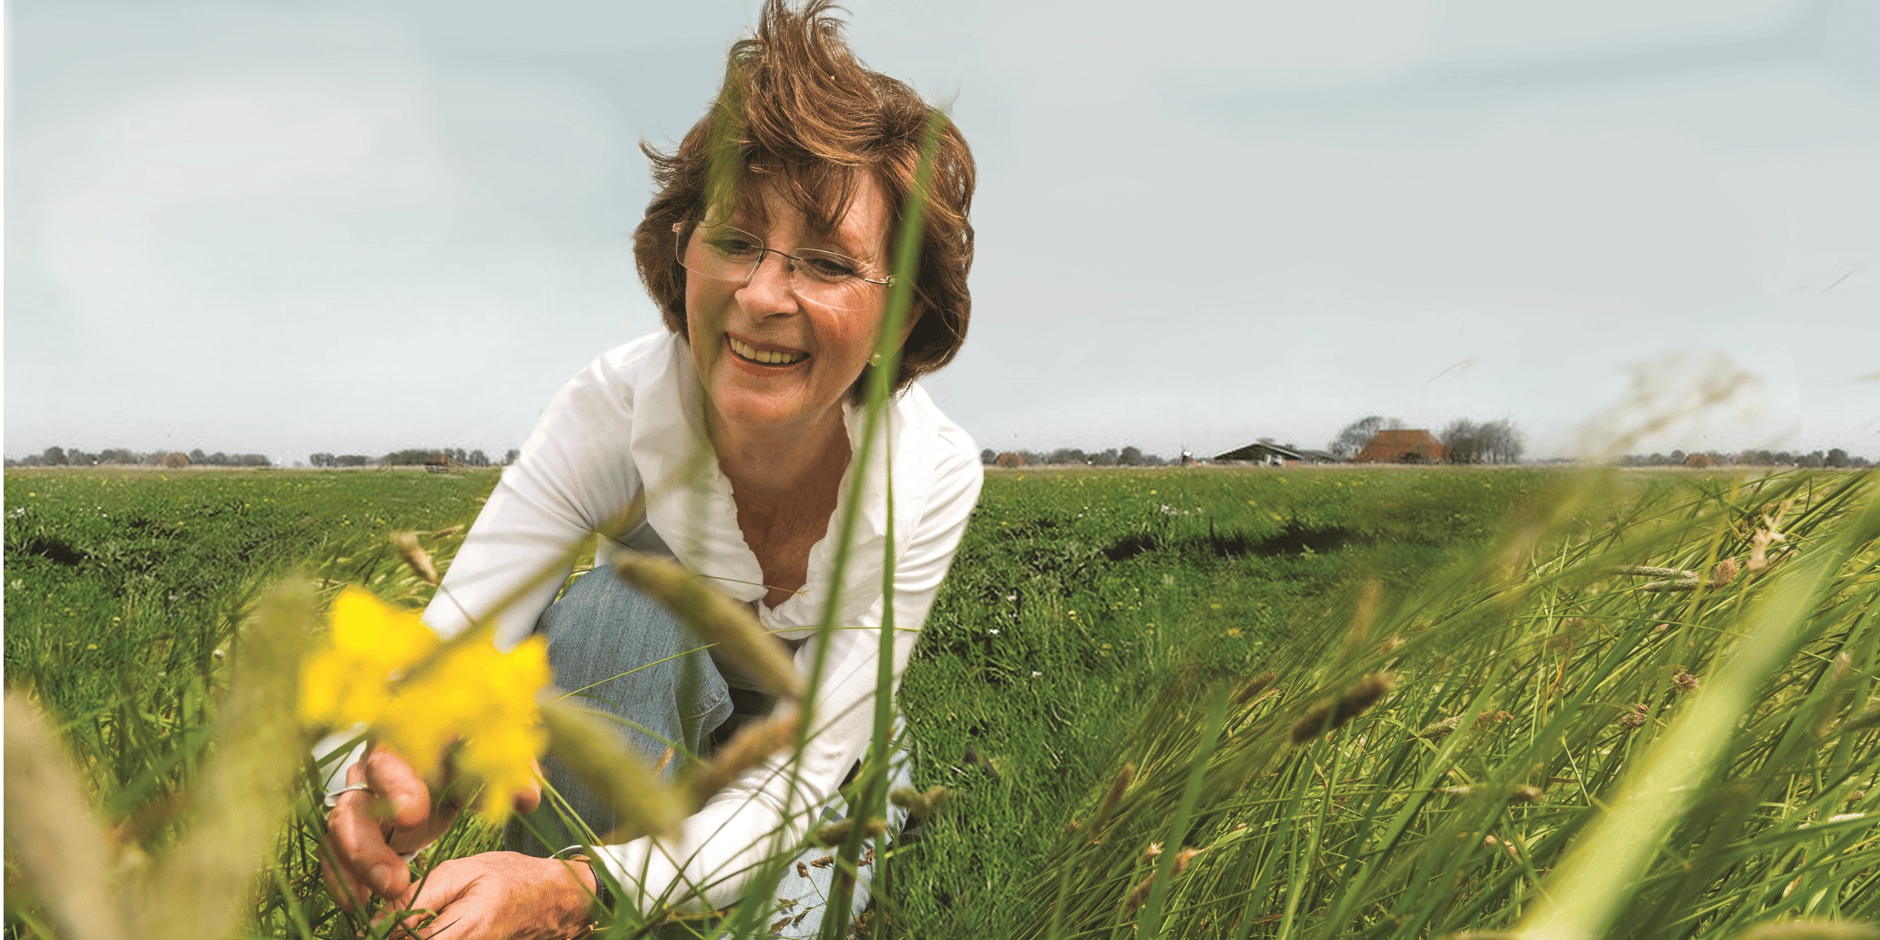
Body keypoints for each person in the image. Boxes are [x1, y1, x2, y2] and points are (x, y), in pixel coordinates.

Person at [317, 2, 980, 936]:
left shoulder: (931, 477)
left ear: (904, 316)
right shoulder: (614, 407)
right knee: (621, 609)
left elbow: (801, 776)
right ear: (683, 253)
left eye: (827, 263)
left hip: (816, 764)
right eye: (736, 241)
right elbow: (454, 638)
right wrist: (384, 770)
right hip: (623, 699)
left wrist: (586, 886)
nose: (759, 297)